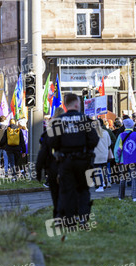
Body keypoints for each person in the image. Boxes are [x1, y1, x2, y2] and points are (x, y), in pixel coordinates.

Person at [50, 93, 99, 227]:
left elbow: (52, 141)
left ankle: (66, 219)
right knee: (83, 189)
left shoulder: (59, 120)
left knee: (66, 190)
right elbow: (94, 139)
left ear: (65, 105)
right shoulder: (85, 119)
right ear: (77, 104)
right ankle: (83, 218)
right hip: (84, 161)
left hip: (65, 161)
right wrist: (86, 149)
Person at [114, 118, 136, 202]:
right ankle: (134, 197)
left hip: (123, 160)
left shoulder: (121, 135)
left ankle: (121, 196)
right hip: (134, 160)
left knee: (122, 178)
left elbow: (118, 149)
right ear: (132, 125)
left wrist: (117, 160)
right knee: (134, 178)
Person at [93, 120, 111, 192]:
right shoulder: (106, 133)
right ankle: (104, 182)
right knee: (104, 169)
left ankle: (100, 185)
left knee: (97, 170)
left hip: (96, 154)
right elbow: (109, 143)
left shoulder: (93, 134)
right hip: (104, 154)